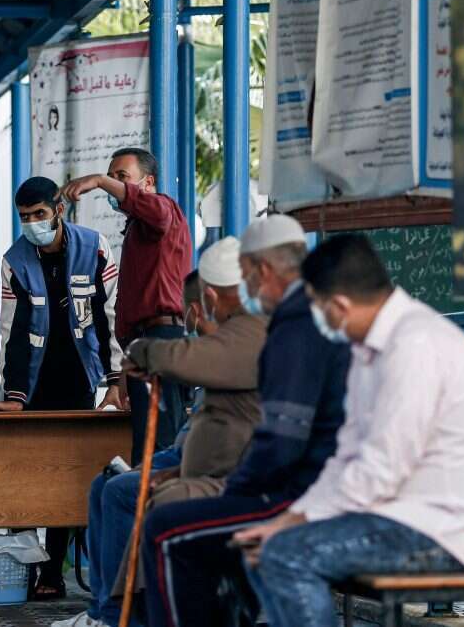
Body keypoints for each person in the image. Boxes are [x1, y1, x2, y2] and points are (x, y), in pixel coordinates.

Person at [235, 234, 464, 627]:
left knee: (287, 555)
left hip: (452, 532)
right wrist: (286, 521)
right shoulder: (369, 350)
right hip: (403, 517)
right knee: (264, 549)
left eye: (317, 307)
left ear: (339, 306)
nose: (319, 319)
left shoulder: (414, 345)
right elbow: (346, 457)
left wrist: (295, 526)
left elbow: (380, 470)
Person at [140, 215, 350, 627]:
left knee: (165, 531)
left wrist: (238, 489)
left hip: (300, 492)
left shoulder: (293, 328)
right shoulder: (307, 319)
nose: (247, 289)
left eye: (248, 278)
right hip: (298, 481)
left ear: (263, 272)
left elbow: (283, 440)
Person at [106, 237, 269, 608]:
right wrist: (182, 470)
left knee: (165, 507)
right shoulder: (241, 332)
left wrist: (141, 351)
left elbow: (179, 355)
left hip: (247, 486)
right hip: (225, 476)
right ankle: (129, 611)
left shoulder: (251, 333)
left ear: (210, 298)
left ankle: (146, 611)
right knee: (154, 493)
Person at [0, 175, 124, 599]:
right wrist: (14, 396)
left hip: (81, 378)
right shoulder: (14, 261)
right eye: (24, 217)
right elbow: (10, 331)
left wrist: (116, 379)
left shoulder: (94, 246)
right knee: (26, 475)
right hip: (34, 382)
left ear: (58, 210)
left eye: (39, 214)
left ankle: (52, 572)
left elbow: (112, 313)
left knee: (66, 474)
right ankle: (28, 565)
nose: (32, 224)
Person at [62, 272, 209, 627]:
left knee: (121, 491)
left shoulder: (241, 343)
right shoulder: (212, 344)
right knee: (103, 483)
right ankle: (100, 610)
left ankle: (116, 618)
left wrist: (145, 353)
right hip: (185, 449)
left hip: (205, 463)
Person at [60, 148, 193, 463]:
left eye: (122, 177)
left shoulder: (164, 209)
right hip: (142, 347)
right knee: (146, 440)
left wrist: (98, 181)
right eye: (111, 176)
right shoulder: (137, 231)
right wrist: (122, 377)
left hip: (160, 340)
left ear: (148, 183)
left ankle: (155, 508)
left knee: (156, 445)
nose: (114, 185)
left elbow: (156, 212)